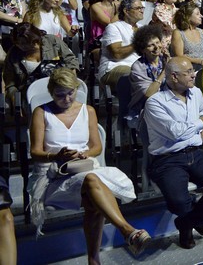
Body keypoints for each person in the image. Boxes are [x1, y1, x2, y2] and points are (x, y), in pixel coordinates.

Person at [28, 69, 148, 259]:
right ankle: (126, 232)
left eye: (70, 93)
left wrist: (82, 154)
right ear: (51, 92)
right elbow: (35, 152)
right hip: (53, 175)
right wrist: (56, 156)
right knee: (93, 189)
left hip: (82, 166)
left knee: (93, 195)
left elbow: (96, 147)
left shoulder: (88, 110)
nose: (66, 99)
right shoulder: (41, 112)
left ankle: (96, 258)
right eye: (60, 95)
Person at [143, 57, 203, 250]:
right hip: (167, 159)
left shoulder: (196, 92)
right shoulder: (155, 103)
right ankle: (192, 221)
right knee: (178, 203)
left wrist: (202, 134)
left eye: (193, 70)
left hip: (195, 151)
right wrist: (201, 124)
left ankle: (186, 223)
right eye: (189, 72)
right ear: (174, 77)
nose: (194, 74)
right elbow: (175, 131)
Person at [2, 23, 79, 108]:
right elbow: (10, 84)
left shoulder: (52, 41)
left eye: (25, 43)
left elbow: (71, 60)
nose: (21, 46)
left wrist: (71, 82)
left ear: (34, 39)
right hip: (29, 94)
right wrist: (16, 102)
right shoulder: (14, 53)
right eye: (18, 43)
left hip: (58, 88)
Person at [98, 0, 144, 92]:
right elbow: (117, 54)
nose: (142, 11)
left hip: (140, 67)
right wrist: (138, 42)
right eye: (138, 8)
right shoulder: (114, 27)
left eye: (142, 8)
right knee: (133, 76)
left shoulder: (143, 28)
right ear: (126, 11)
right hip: (116, 67)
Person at [128, 25, 169, 120]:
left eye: (157, 42)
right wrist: (164, 71)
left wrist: (172, 66)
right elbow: (148, 94)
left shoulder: (166, 60)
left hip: (168, 104)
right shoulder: (138, 67)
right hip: (145, 109)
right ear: (143, 50)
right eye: (150, 45)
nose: (156, 47)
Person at [171, 2, 203, 71]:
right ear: (188, 17)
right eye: (197, 14)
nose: (201, 16)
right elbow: (179, 56)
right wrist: (199, 61)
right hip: (187, 68)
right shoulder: (178, 33)